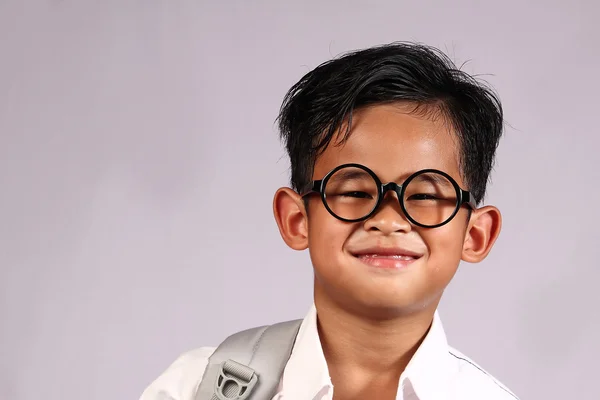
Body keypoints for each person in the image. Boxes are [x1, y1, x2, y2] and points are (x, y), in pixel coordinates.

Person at [140, 42, 518, 400]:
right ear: (296, 219)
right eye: (354, 192)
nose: (388, 219)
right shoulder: (196, 387)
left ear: (476, 234)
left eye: (423, 196)